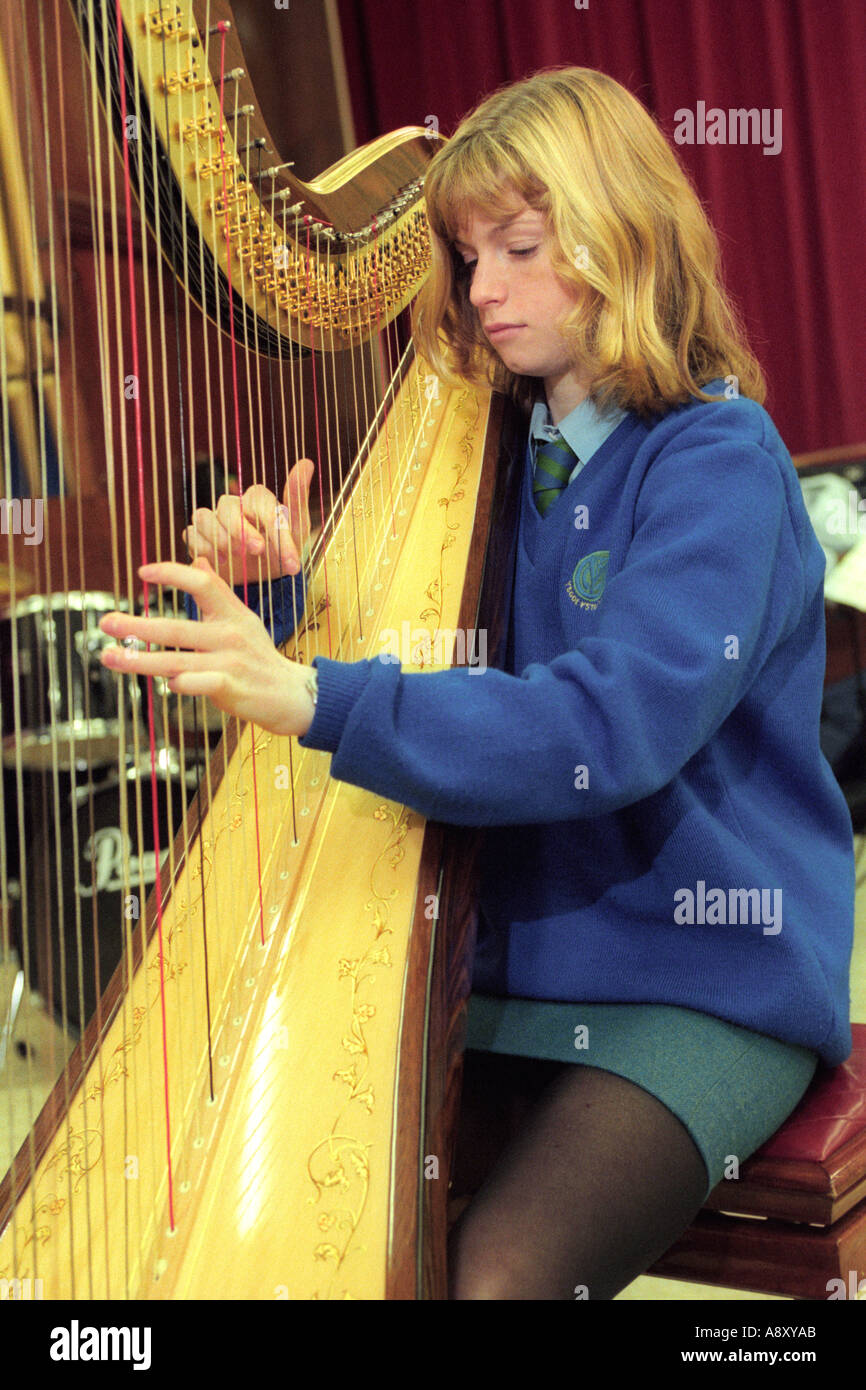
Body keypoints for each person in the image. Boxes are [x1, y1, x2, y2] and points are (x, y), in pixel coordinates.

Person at [99, 67, 855, 1300]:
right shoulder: (495, 449)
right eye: (463, 257)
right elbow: (421, 673)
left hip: (704, 974)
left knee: (496, 1279)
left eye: (518, 245)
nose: (481, 292)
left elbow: (605, 728)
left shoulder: (715, 460)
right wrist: (283, 610)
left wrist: (316, 697)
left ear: (624, 232)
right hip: (508, 965)